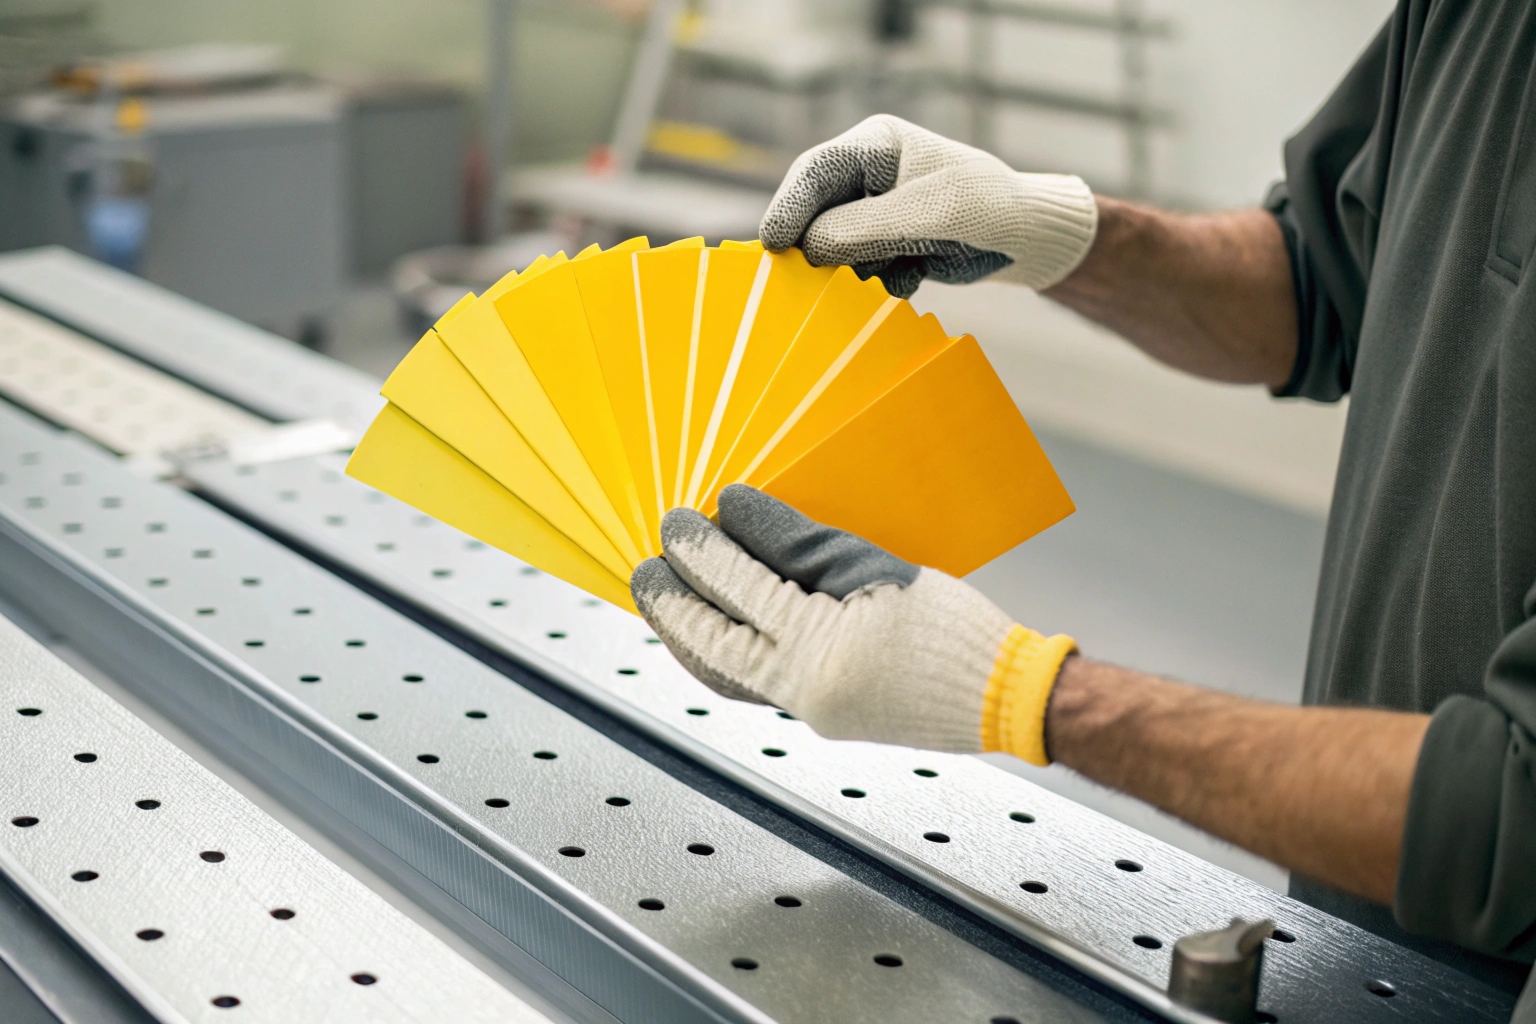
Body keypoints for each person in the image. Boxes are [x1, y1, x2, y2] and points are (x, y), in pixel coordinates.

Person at [631, 0, 1536, 1011]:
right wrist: (1050, 228)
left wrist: (1020, 692)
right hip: (1367, 939)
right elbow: (1320, 278)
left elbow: (1512, 813)